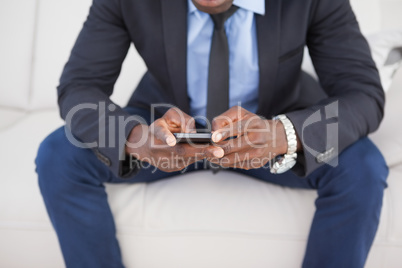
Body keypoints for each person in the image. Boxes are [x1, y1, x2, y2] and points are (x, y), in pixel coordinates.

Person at [35, 0, 389, 267]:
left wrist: (283, 135)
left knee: (363, 167)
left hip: (270, 130)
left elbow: (363, 94)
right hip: (166, 132)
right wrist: (133, 137)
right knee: (58, 154)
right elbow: (79, 87)